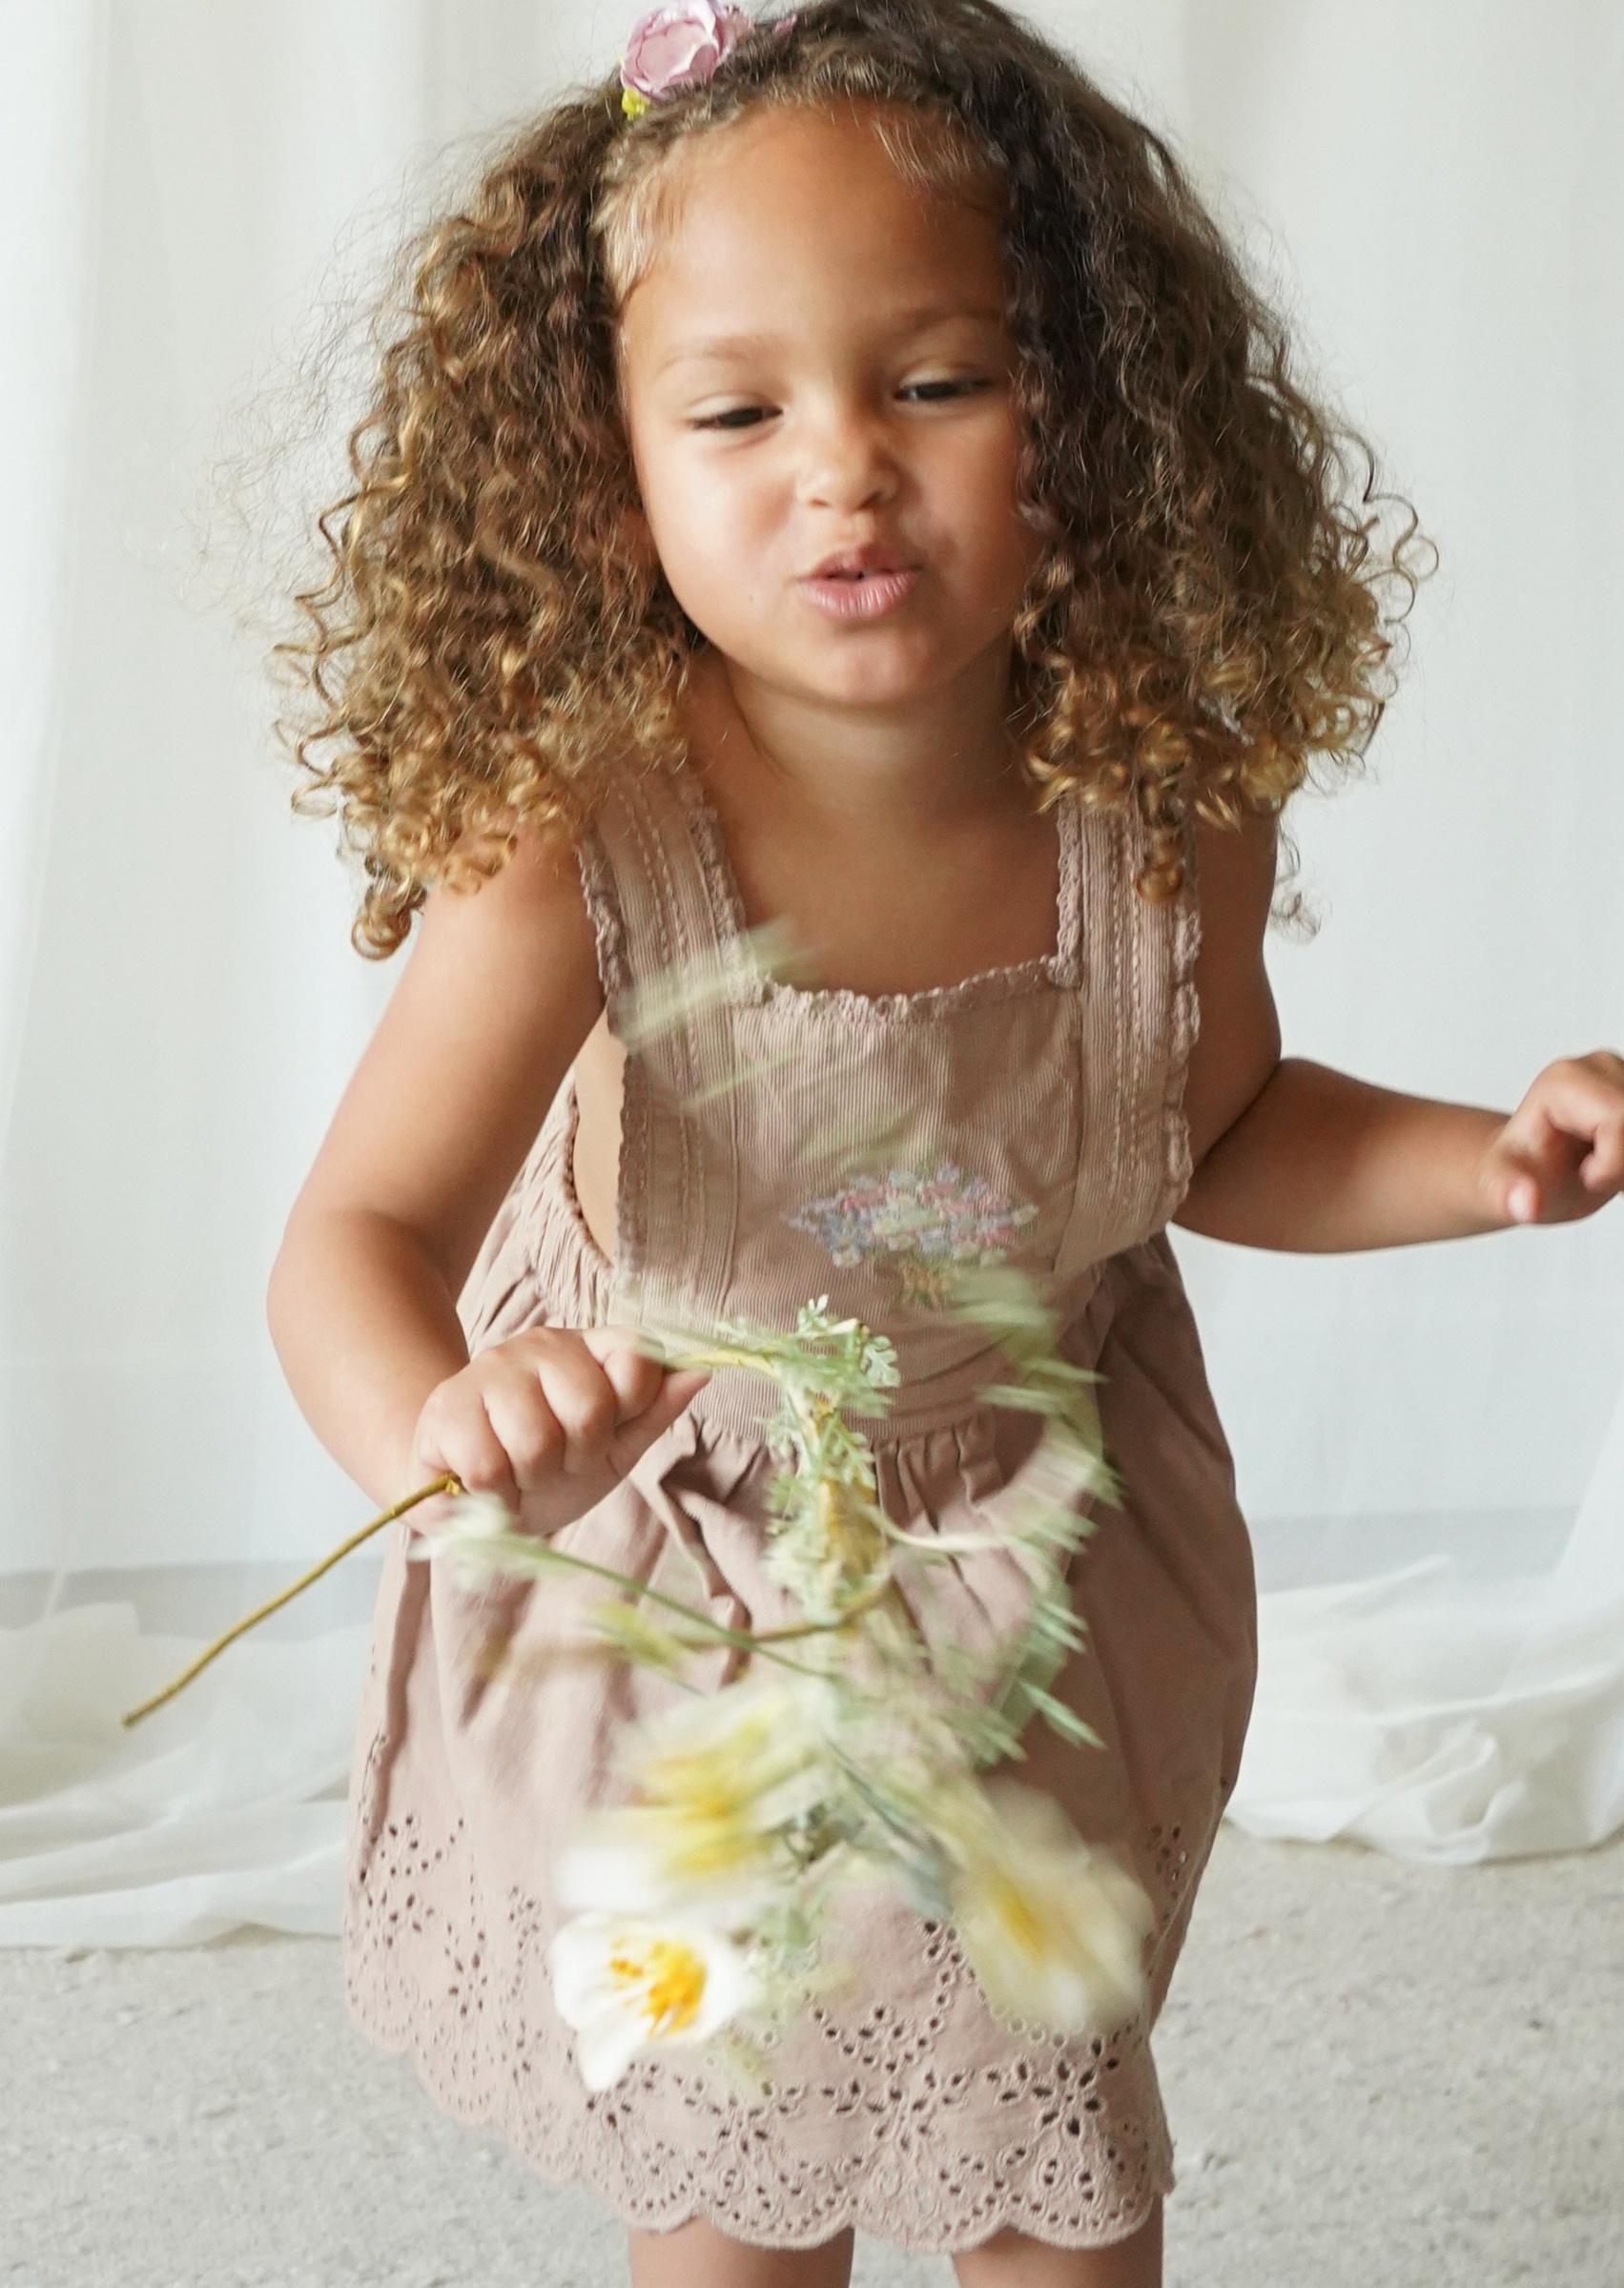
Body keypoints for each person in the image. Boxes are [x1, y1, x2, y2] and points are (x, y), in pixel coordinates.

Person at [262, 3, 1624, 2281]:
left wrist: (1494, 1160)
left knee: (1051, 2144)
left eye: (938, 382)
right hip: (682, 1561)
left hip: (1029, 1543)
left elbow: (1222, 1131)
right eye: (738, 412)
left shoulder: (1159, 800)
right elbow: (357, 1234)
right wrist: (443, 1415)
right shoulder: (583, 838)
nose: (845, 473)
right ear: (606, 471)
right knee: (746, 2173)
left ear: (1093, 411)